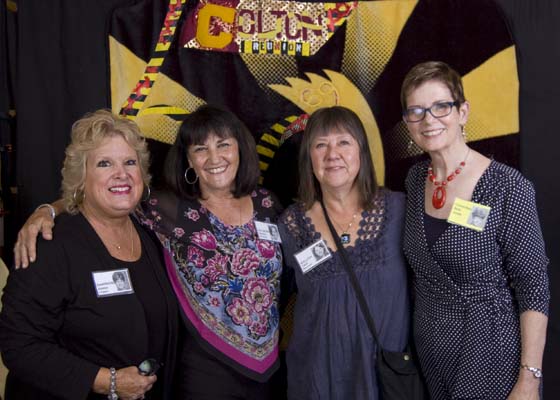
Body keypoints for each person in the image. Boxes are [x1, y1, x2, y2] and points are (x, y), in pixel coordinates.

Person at [13, 105, 285, 400]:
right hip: (205, 372)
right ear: (188, 160)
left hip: (266, 371)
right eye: (200, 149)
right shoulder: (166, 210)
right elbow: (100, 197)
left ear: (240, 149)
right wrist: (47, 211)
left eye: (223, 145)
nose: (214, 157)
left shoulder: (267, 204)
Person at [0, 110, 179, 399]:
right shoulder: (50, 244)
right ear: (81, 178)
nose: (121, 174)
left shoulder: (149, 231)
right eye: (104, 163)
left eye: (130, 162)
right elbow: (18, 345)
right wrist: (107, 382)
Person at [400, 61, 549, 399]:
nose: (429, 120)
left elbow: (534, 287)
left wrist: (529, 378)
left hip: (492, 355)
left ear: (463, 112)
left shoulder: (508, 187)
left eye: (441, 106)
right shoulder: (415, 180)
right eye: (416, 111)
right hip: (432, 360)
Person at [278, 106, 410, 399]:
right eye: (320, 145)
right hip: (317, 381)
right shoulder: (291, 226)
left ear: (361, 151)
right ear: (309, 158)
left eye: (344, 142)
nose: (332, 154)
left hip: (385, 381)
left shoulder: (398, 210)